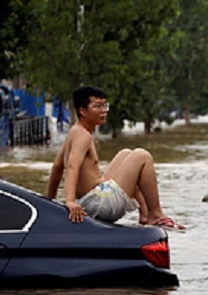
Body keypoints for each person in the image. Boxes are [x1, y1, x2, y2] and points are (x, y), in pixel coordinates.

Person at [46, 86, 184, 230]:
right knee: (142, 156)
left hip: (92, 199)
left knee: (125, 154)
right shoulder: (83, 135)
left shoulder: (74, 132)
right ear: (83, 111)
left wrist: (48, 204)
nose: (104, 110)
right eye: (98, 106)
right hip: (98, 203)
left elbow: (57, 168)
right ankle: (156, 214)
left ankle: (144, 214)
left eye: (105, 105)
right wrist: (70, 201)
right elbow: (72, 166)